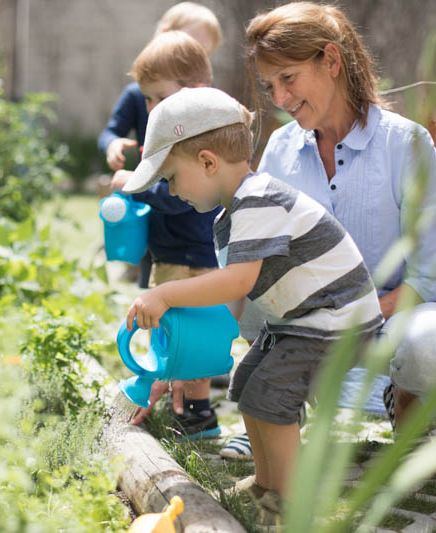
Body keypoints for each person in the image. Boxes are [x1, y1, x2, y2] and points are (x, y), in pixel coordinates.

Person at [219, 1, 436, 461]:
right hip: (308, 333)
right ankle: (275, 415)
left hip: (394, 323)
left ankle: (408, 415)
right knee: (248, 280)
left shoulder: (406, 145)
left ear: (332, 61)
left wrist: (355, 316)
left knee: (434, 343)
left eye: (288, 78)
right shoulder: (280, 149)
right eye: (269, 85)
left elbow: (429, 280)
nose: (278, 98)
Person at [122, 87, 382, 522]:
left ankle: (290, 502)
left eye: (171, 178)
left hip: (334, 320)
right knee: (248, 384)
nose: (172, 191)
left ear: (207, 162)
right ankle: (266, 485)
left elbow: (236, 281)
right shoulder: (238, 208)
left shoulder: (258, 198)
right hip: (302, 320)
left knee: (271, 396)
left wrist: (164, 294)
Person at [109, 31, 223, 440]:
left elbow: (178, 199)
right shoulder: (174, 133)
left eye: (158, 97)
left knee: (186, 332)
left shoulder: (194, 139)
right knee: (179, 331)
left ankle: (195, 410)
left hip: (192, 253)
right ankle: (191, 410)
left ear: (195, 91)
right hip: (176, 250)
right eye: (147, 99)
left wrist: (132, 183)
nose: (150, 107)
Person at [98, 2, 223, 289]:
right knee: (153, 283)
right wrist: (113, 144)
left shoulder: (203, 116)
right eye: (191, 48)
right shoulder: (142, 93)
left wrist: (135, 184)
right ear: (165, 34)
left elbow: (184, 194)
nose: (198, 61)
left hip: (194, 238)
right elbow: (110, 131)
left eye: (203, 55)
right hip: (157, 219)